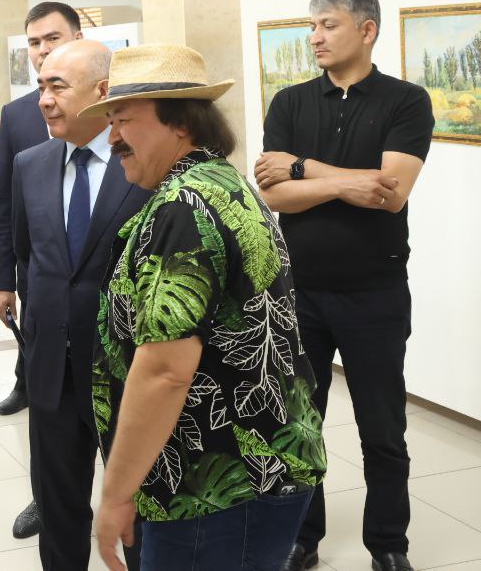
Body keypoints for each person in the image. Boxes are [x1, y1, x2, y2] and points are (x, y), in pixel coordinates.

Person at [87, 45, 327, 571]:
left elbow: (165, 371)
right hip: (253, 469)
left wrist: (116, 495)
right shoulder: (219, 182)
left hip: (218, 489)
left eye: (124, 120)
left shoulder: (183, 207)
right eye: (110, 121)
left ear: (181, 123)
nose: (112, 137)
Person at [255, 0, 432, 571]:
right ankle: (301, 539)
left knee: (382, 429)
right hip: (298, 292)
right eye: (312, 26)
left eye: (328, 25)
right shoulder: (289, 103)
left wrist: (304, 168)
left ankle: (388, 545)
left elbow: (389, 193)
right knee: (298, 425)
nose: (315, 37)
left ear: (366, 29)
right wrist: (347, 182)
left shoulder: (406, 101)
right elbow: (274, 195)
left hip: (375, 293)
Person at [7, 41, 149, 570]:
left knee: (140, 508)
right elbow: (29, 256)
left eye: (58, 87)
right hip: (51, 369)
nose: (44, 100)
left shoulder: (144, 165)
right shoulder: (30, 164)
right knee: (58, 505)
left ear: (103, 92)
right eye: (41, 87)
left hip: (127, 371)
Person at [0, 0, 84, 539]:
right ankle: (46, 500)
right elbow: (6, 206)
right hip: (41, 281)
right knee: (48, 405)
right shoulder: (19, 115)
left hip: (99, 284)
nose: (42, 49)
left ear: (78, 38)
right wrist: (3, 279)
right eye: (33, 42)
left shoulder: (112, 107)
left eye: (53, 38)